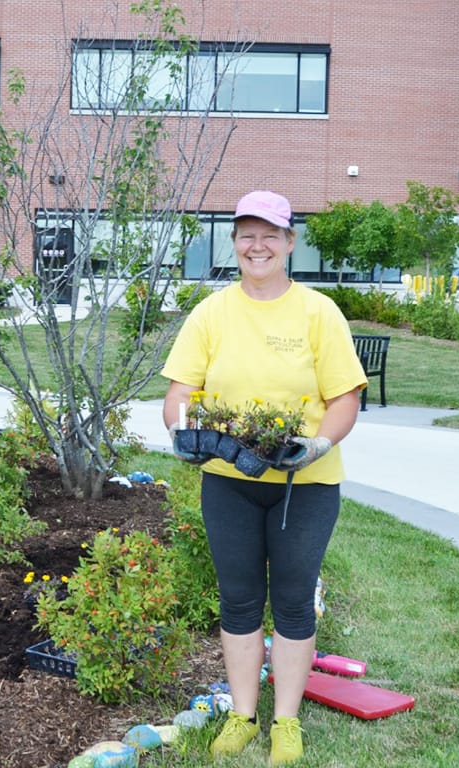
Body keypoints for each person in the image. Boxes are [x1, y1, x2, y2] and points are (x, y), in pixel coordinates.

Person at [160, 190, 367, 765]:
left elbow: (346, 397)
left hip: (307, 485)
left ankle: (286, 722)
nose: (258, 245)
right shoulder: (213, 313)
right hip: (229, 480)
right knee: (240, 598)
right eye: (247, 234)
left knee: (295, 600)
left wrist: (319, 442)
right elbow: (180, 392)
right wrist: (182, 432)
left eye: (270, 234)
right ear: (234, 243)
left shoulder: (318, 313)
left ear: (290, 242)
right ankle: (243, 715)